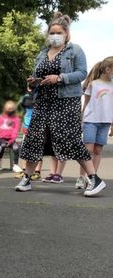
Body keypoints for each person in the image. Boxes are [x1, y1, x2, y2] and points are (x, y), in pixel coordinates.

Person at [17, 12, 105, 196]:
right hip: (43, 102)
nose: (54, 36)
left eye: (58, 32)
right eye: (51, 32)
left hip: (65, 103)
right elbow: (37, 75)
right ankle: (26, 178)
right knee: (35, 138)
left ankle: (94, 179)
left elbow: (82, 73)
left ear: (66, 34)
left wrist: (60, 78)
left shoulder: (74, 51)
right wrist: (33, 82)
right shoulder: (42, 53)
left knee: (70, 140)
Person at [75, 56, 113, 189]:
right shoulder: (93, 84)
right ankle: (81, 177)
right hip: (91, 120)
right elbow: (85, 104)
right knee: (88, 150)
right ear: (108, 69)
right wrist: (81, 120)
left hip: (105, 122)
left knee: (98, 150)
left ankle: (93, 178)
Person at [0, 100, 22, 171]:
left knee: (16, 148)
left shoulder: (16, 119)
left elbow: (15, 130)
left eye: (12, 109)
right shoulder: (1, 117)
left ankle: (15, 165)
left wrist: (11, 140)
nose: (10, 110)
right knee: (2, 146)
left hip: (12, 139)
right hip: (2, 138)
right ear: (5, 109)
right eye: (9, 109)